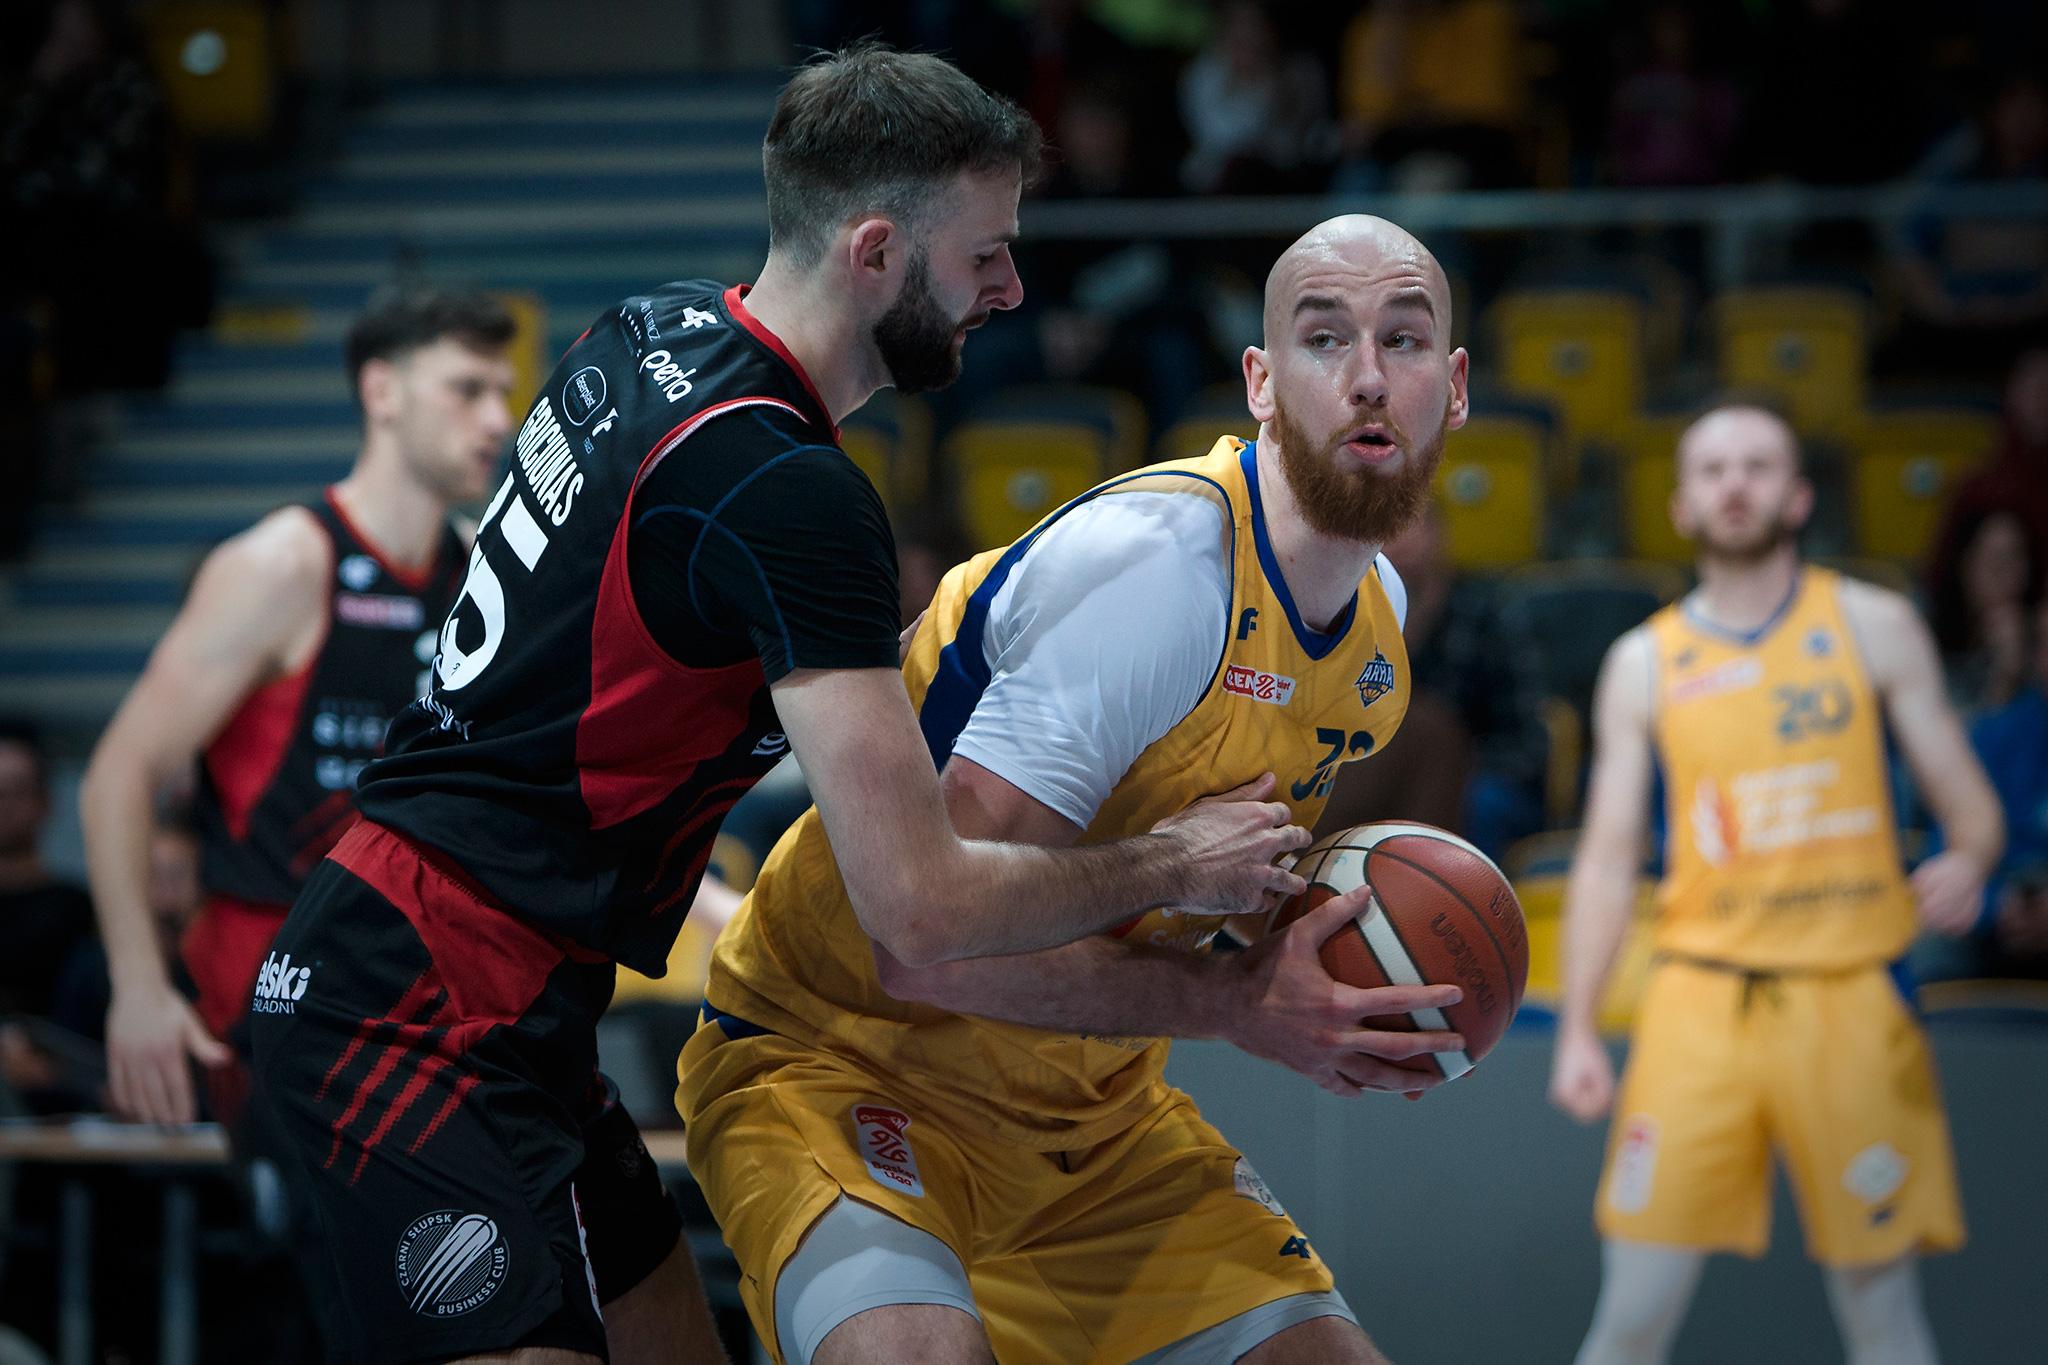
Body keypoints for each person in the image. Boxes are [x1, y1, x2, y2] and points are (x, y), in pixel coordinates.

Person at [247, 44, 1306, 1365]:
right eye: (984, 254)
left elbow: (630, 643)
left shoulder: (647, 330)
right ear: (876, 252)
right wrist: (1174, 863)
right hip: (414, 990)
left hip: (511, 990)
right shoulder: (787, 489)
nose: (1010, 289)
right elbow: (918, 909)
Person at [679, 214, 1469, 1365]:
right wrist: (1236, 1003)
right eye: (1321, 339)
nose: (1364, 378)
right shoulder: (1157, 571)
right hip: (848, 1062)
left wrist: (1340, 969)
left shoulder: (1375, 647)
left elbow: (1217, 889)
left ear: (1452, 388)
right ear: (1258, 382)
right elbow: (926, 950)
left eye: (1400, 340)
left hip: (1091, 1121)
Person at [1548, 405, 2005, 1365]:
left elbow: (1971, 809)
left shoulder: (1874, 624)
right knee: (1630, 1316)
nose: (1736, 483)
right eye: (1713, 468)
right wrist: (1580, 1026)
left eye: (1758, 465)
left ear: (1798, 497)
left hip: (1852, 995)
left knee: (1883, 1316)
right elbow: (1607, 858)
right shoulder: (1644, 661)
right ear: (1680, 504)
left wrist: (1967, 859)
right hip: (1699, 998)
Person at [80, 286, 514, 1129]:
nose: (497, 419)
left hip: (412, 989)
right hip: (267, 991)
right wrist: (138, 988)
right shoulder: (282, 564)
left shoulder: (481, 568)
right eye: (467, 389)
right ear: (382, 391)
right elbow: (116, 776)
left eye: (503, 392)